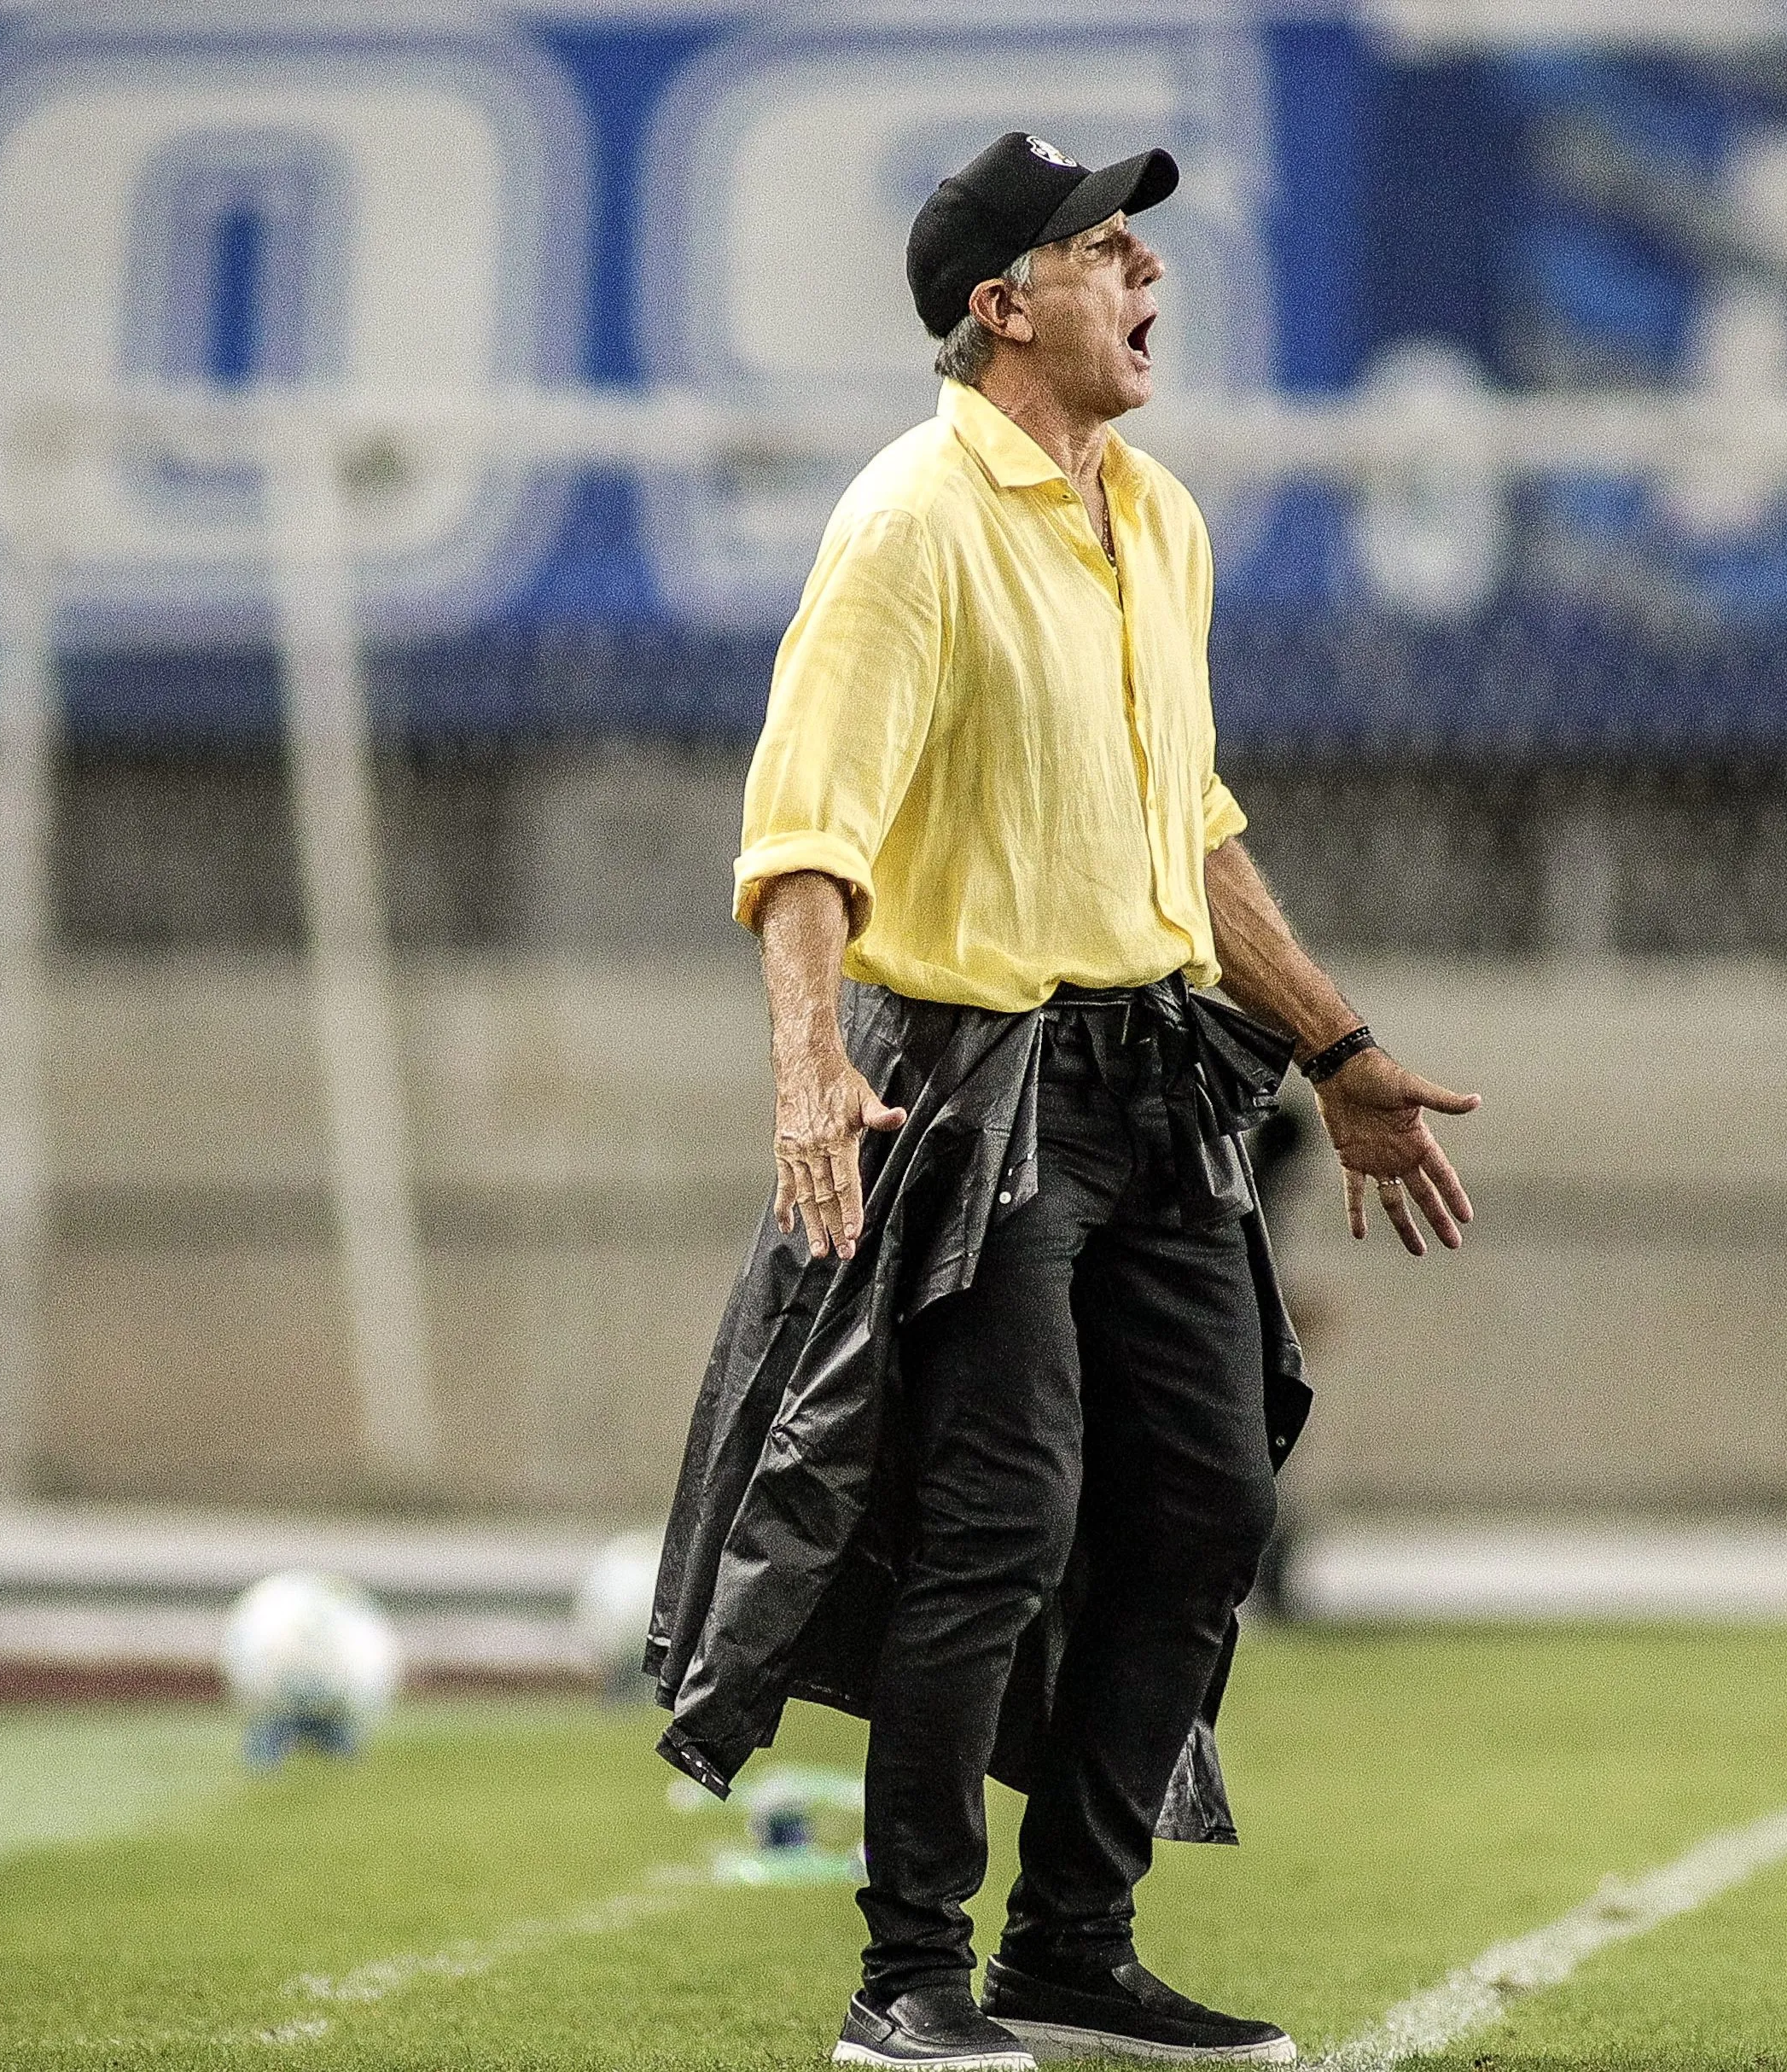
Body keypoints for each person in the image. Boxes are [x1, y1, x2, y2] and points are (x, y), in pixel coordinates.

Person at [643, 131, 1479, 2072]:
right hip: (974, 1084)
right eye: (1107, 248)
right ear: (997, 303)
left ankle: (1069, 1951)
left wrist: (1339, 1052)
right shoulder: (909, 520)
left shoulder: (1156, 517)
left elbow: (1188, 835)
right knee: (998, 1517)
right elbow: (800, 843)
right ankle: (907, 1976)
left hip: (1160, 1076)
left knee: (1207, 1500)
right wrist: (803, 1069)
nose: (1149, 277)